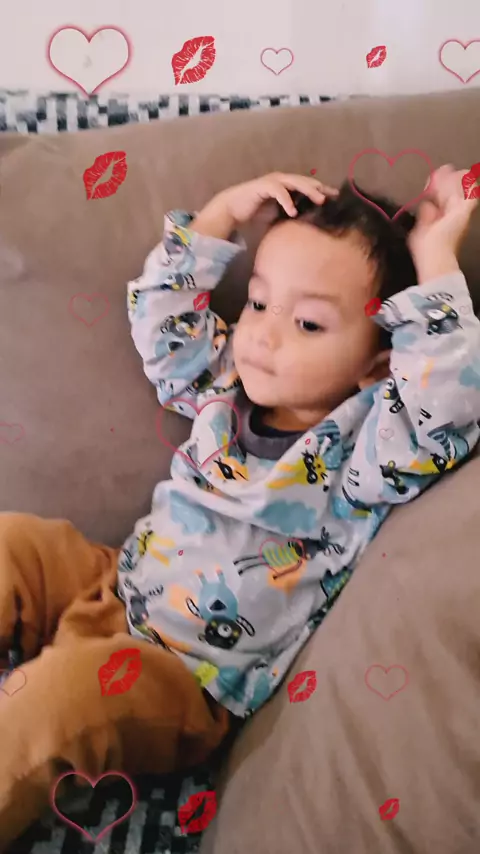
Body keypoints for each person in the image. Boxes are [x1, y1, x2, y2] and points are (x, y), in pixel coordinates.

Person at [1, 165, 479, 848]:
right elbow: (163, 320)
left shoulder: (366, 451)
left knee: (59, 699)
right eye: (257, 303)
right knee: (13, 542)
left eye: (308, 323)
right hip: (117, 579)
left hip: (183, 676)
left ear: (376, 365)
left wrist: (434, 259)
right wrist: (222, 215)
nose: (263, 334)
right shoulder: (224, 380)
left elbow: (446, 404)